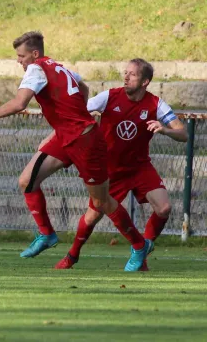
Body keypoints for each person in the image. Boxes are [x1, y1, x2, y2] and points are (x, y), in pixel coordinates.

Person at [0, 31, 150, 271]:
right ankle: (46, 234)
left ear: (34, 54)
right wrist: (66, 122)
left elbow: (19, 103)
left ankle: (139, 245)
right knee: (26, 181)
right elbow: (83, 88)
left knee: (101, 201)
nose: (19, 61)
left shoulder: (36, 69)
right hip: (67, 136)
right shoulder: (58, 66)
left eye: (21, 56)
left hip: (85, 141)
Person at [54, 58, 188, 270]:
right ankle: (72, 256)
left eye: (132, 74)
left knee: (164, 208)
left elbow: (183, 134)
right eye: (125, 73)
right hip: (110, 170)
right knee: (91, 218)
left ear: (145, 82)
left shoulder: (156, 104)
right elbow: (79, 113)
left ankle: (143, 249)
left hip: (139, 167)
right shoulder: (109, 97)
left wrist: (165, 129)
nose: (126, 77)